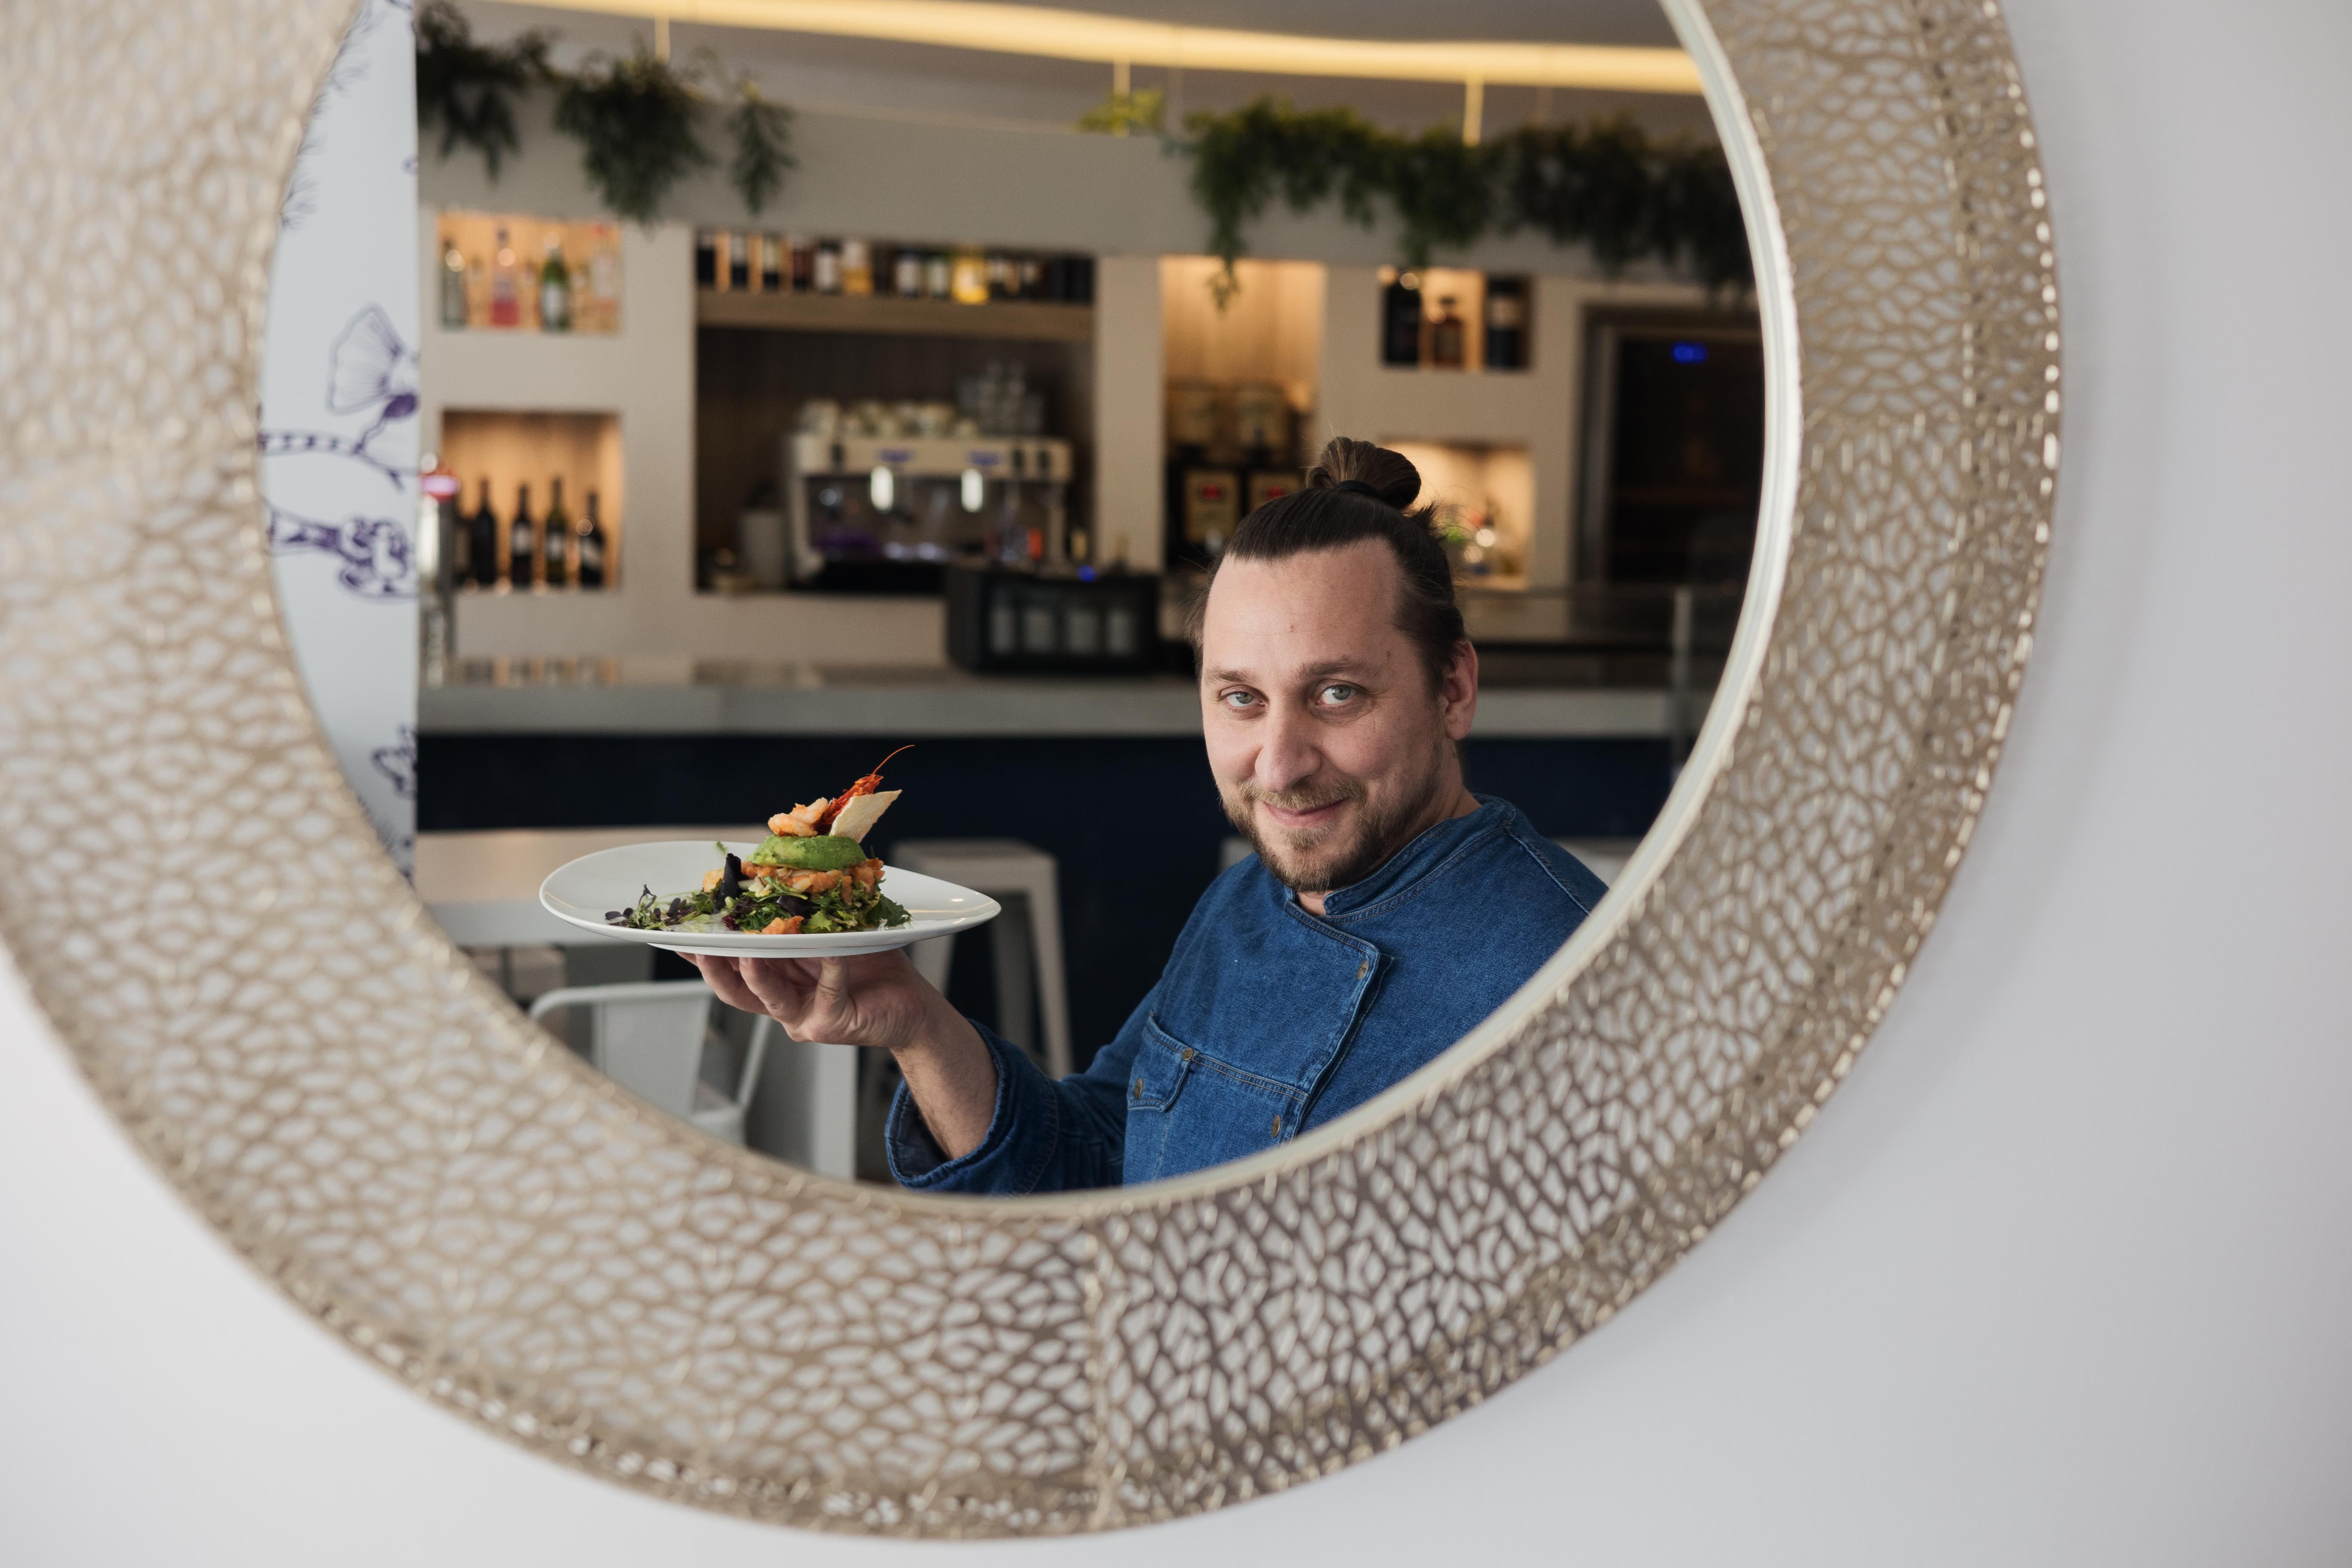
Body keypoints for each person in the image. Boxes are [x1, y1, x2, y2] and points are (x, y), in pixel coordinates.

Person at [691, 438, 1606, 1194]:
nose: (1280, 764)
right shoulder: (1242, 905)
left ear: (1453, 689)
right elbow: (1096, 1161)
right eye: (1241, 699)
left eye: (1337, 693)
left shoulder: (1571, 976)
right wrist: (918, 1025)